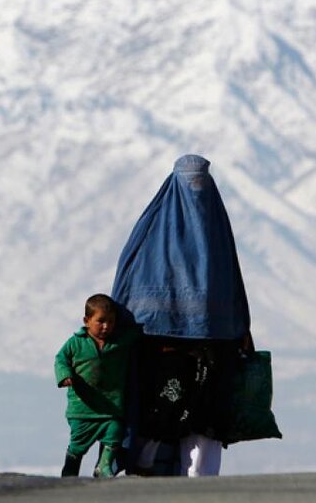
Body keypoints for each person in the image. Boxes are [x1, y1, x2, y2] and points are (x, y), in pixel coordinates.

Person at [111, 154, 252, 477]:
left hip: (213, 345)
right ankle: (146, 468)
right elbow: (132, 283)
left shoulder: (216, 232)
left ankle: (199, 480)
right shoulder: (153, 233)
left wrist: (241, 327)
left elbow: (232, 283)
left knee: (206, 415)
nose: (195, 191)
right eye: (190, 182)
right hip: (159, 344)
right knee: (161, 408)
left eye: (200, 182)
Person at [54, 293, 141, 478]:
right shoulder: (76, 343)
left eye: (110, 321)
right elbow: (61, 359)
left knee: (114, 432)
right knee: (78, 445)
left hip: (111, 407)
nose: (106, 326)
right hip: (83, 409)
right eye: (101, 321)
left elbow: (140, 333)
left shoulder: (119, 342)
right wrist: (65, 376)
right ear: (87, 321)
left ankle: (103, 465)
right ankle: (70, 472)